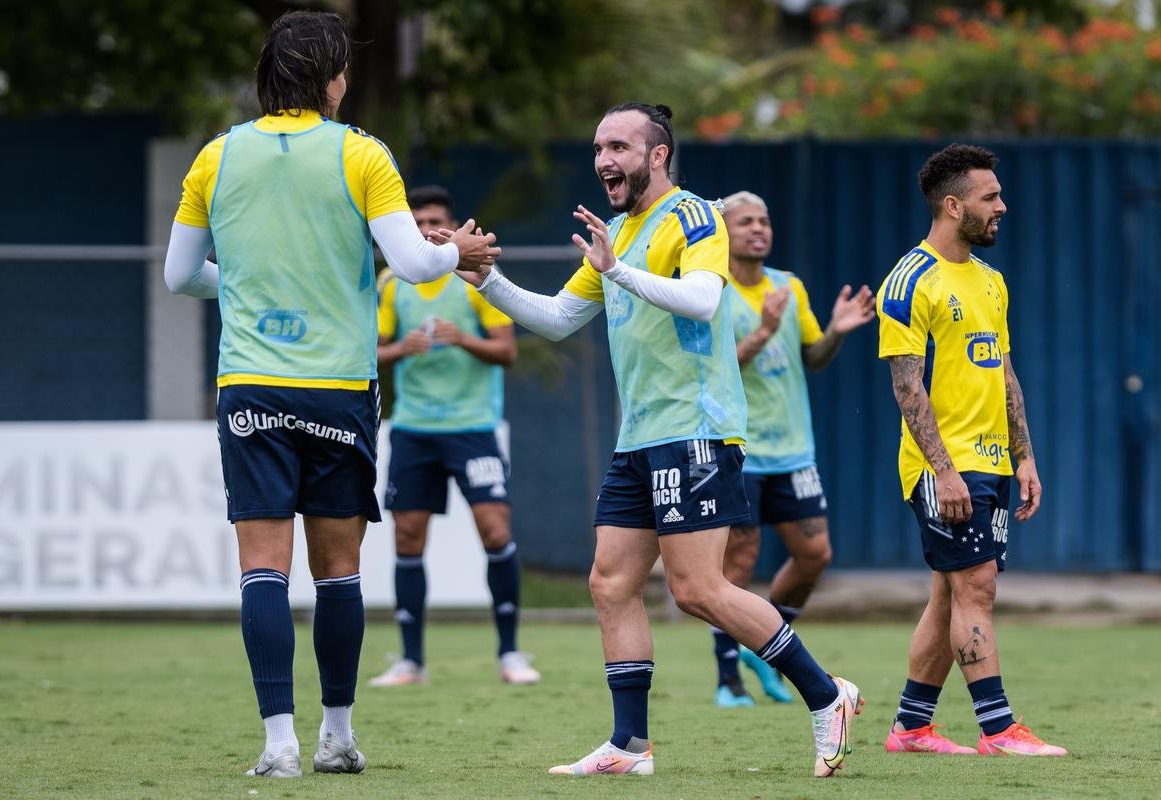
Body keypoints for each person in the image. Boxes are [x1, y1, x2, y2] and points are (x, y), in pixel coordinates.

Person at [445, 102, 862, 778]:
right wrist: (487, 280)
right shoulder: (615, 231)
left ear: (657, 154)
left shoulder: (693, 216)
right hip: (640, 437)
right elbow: (555, 319)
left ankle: (827, 695)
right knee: (610, 582)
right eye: (597, 147)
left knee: (699, 591)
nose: (604, 159)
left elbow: (701, 298)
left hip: (695, 428)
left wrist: (619, 273)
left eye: (618, 146)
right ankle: (628, 745)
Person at [162, 11, 499, 779]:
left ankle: (278, 744)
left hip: (250, 383)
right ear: (332, 77)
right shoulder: (361, 154)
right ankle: (336, 736)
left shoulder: (216, 157)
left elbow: (179, 277)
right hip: (336, 390)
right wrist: (461, 249)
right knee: (338, 569)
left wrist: (243, 289)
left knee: (261, 568)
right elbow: (415, 266)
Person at [876, 143, 1065, 756]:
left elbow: (1005, 373)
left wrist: (1025, 456)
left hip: (993, 463)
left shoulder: (990, 280)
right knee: (976, 586)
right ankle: (998, 728)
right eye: (991, 197)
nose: (1002, 207)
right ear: (954, 206)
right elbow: (907, 387)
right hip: (946, 468)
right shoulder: (908, 281)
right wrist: (944, 471)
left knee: (951, 591)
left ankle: (910, 728)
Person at [367, 185, 539, 688]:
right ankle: (410, 661)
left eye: (435, 221)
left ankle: (510, 654)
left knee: (496, 531)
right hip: (415, 432)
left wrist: (463, 339)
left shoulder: (476, 278)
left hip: (473, 429)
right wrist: (403, 347)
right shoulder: (390, 282)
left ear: (452, 226)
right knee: (407, 536)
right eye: (416, 223)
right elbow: (367, 353)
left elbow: (508, 352)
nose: (425, 231)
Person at [711, 192, 874, 708]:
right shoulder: (711, 289)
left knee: (814, 555)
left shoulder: (789, 285)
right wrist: (761, 330)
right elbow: (712, 371)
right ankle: (728, 681)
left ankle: (767, 643)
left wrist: (838, 332)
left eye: (764, 219)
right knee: (738, 566)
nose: (758, 228)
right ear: (725, 232)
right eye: (745, 222)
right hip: (739, 449)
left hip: (794, 451)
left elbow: (813, 358)